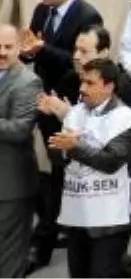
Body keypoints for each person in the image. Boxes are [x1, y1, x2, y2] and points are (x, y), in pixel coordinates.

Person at [52, 58, 131, 279]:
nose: (82, 89)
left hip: (112, 215)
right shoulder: (75, 113)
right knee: (79, 273)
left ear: (108, 86)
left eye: (90, 83)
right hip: (79, 210)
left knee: (101, 274)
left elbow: (111, 161)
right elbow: (56, 152)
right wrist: (64, 150)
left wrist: (75, 146)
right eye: (82, 82)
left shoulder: (124, 118)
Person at [24, 0, 104, 93]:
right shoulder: (41, 10)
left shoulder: (88, 17)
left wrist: (43, 48)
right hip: (40, 91)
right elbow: (32, 47)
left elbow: (83, 61)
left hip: (70, 94)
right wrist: (27, 52)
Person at [0, 24, 41, 279]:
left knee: (9, 259)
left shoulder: (28, 82)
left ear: (20, 48)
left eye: (7, 47)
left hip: (12, 186)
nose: (2, 52)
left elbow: (20, 129)